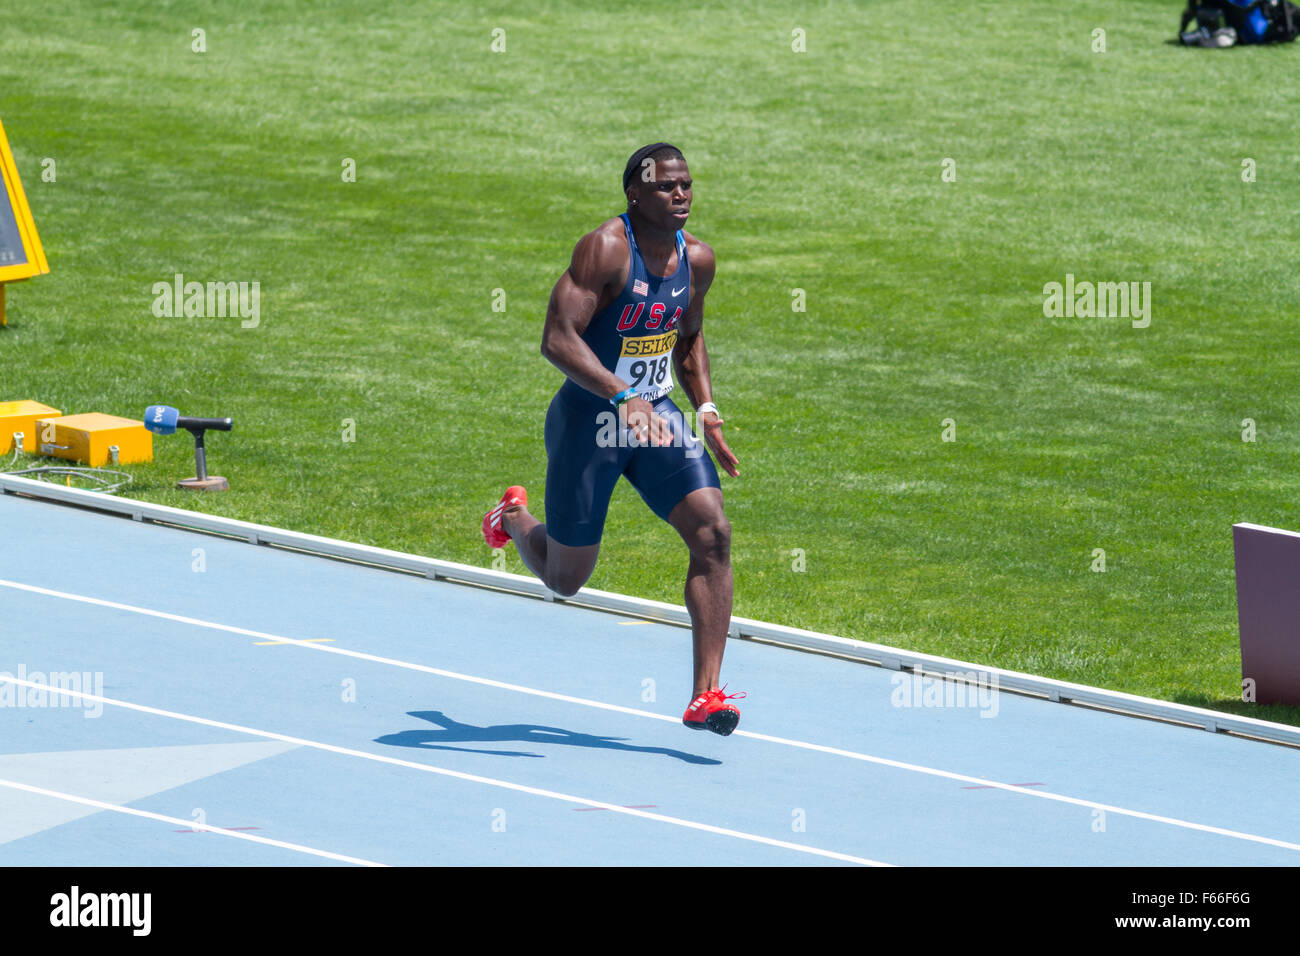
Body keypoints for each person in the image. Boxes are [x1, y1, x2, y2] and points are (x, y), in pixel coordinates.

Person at [482, 143, 745, 736]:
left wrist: (704, 407)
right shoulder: (605, 250)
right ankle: (514, 516)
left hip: (656, 419)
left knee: (714, 534)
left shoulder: (696, 260)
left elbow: (688, 336)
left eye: (687, 185)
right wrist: (621, 396)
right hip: (590, 421)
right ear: (635, 193)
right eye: (666, 187)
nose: (681, 196)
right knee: (566, 578)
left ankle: (706, 696)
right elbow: (557, 337)